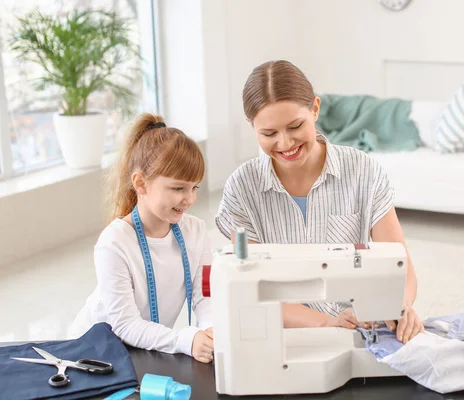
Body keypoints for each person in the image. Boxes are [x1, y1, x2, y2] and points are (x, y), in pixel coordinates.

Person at [215, 60, 424, 343]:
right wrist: (326, 322)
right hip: (283, 333)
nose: (285, 143)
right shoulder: (242, 188)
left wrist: (399, 307)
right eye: (269, 134)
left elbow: (399, 263)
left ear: (315, 108)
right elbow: (251, 289)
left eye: (295, 126)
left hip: (359, 326)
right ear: (252, 126)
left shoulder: (363, 171)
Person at [69, 113, 214, 363]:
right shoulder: (114, 243)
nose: (189, 199)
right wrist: (186, 340)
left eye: (194, 188)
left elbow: (206, 294)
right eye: (178, 188)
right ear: (141, 183)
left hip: (141, 350)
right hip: (93, 353)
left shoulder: (197, 232)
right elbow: (125, 325)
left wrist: (211, 330)